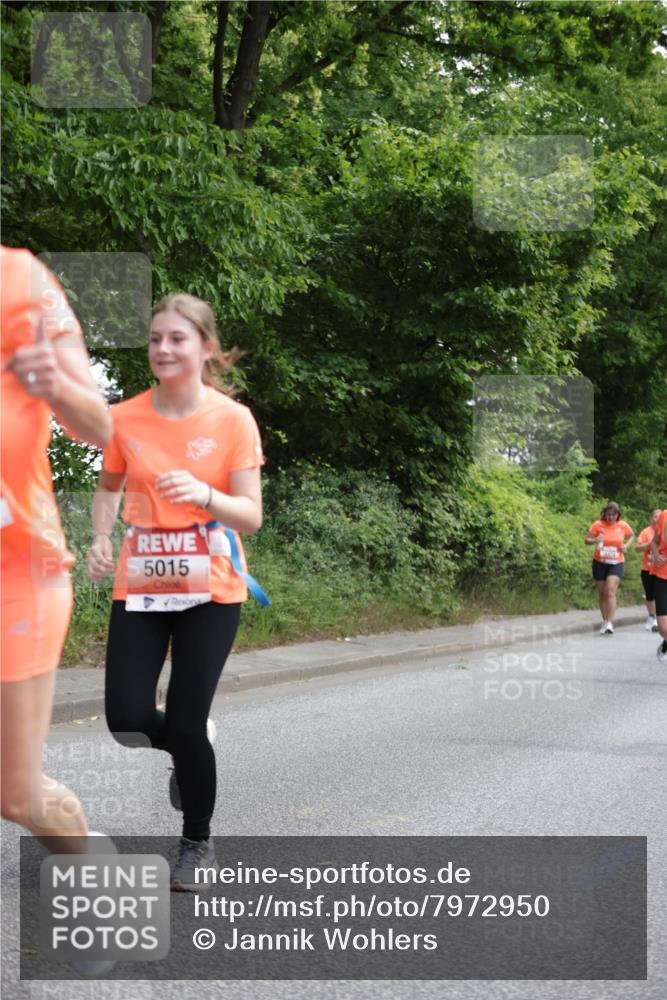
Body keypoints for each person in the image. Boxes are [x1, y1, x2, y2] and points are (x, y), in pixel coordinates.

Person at [86, 293, 266, 891]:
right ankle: (191, 744)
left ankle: (196, 840)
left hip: (212, 584)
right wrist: (101, 537)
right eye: (156, 338)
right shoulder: (125, 417)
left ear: (206, 348)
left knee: (187, 722)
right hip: (143, 578)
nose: (163, 348)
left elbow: (251, 516)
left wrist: (204, 494)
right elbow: (110, 485)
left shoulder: (232, 420)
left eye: (177, 338)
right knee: (127, 718)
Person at [1, 245, 113, 851]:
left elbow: (97, 424)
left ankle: (98, 876)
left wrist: (55, 385)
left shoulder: (21, 278)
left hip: (17, 570)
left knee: (17, 795)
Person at [585, 501, 634, 635]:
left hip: (616, 562)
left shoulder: (623, 525)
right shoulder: (598, 524)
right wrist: (596, 540)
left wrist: (626, 546)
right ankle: (605, 621)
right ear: (604, 514)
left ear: (618, 515)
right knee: (602, 593)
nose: (611, 517)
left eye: (613, 515)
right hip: (600, 562)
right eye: (608, 514)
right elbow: (587, 540)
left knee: (610, 591)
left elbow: (631, 536)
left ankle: (610, 623)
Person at [636, 509, 661, 632]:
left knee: (660, 594)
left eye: (660, 516)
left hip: (661, 569)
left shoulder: (664, 531)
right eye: (655, 516)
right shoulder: (646, 532)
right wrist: (650, 545)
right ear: (651, 518)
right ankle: (652, 617)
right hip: (647, 568)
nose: (657, 519)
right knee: (650, 594)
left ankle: (658, 618)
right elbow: (637, 548)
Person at [649, 509, 667, 663]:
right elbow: (654, 542)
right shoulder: (664, 515)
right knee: (663, 628)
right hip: (663, 576)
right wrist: (656, 555)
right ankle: (666, 641)